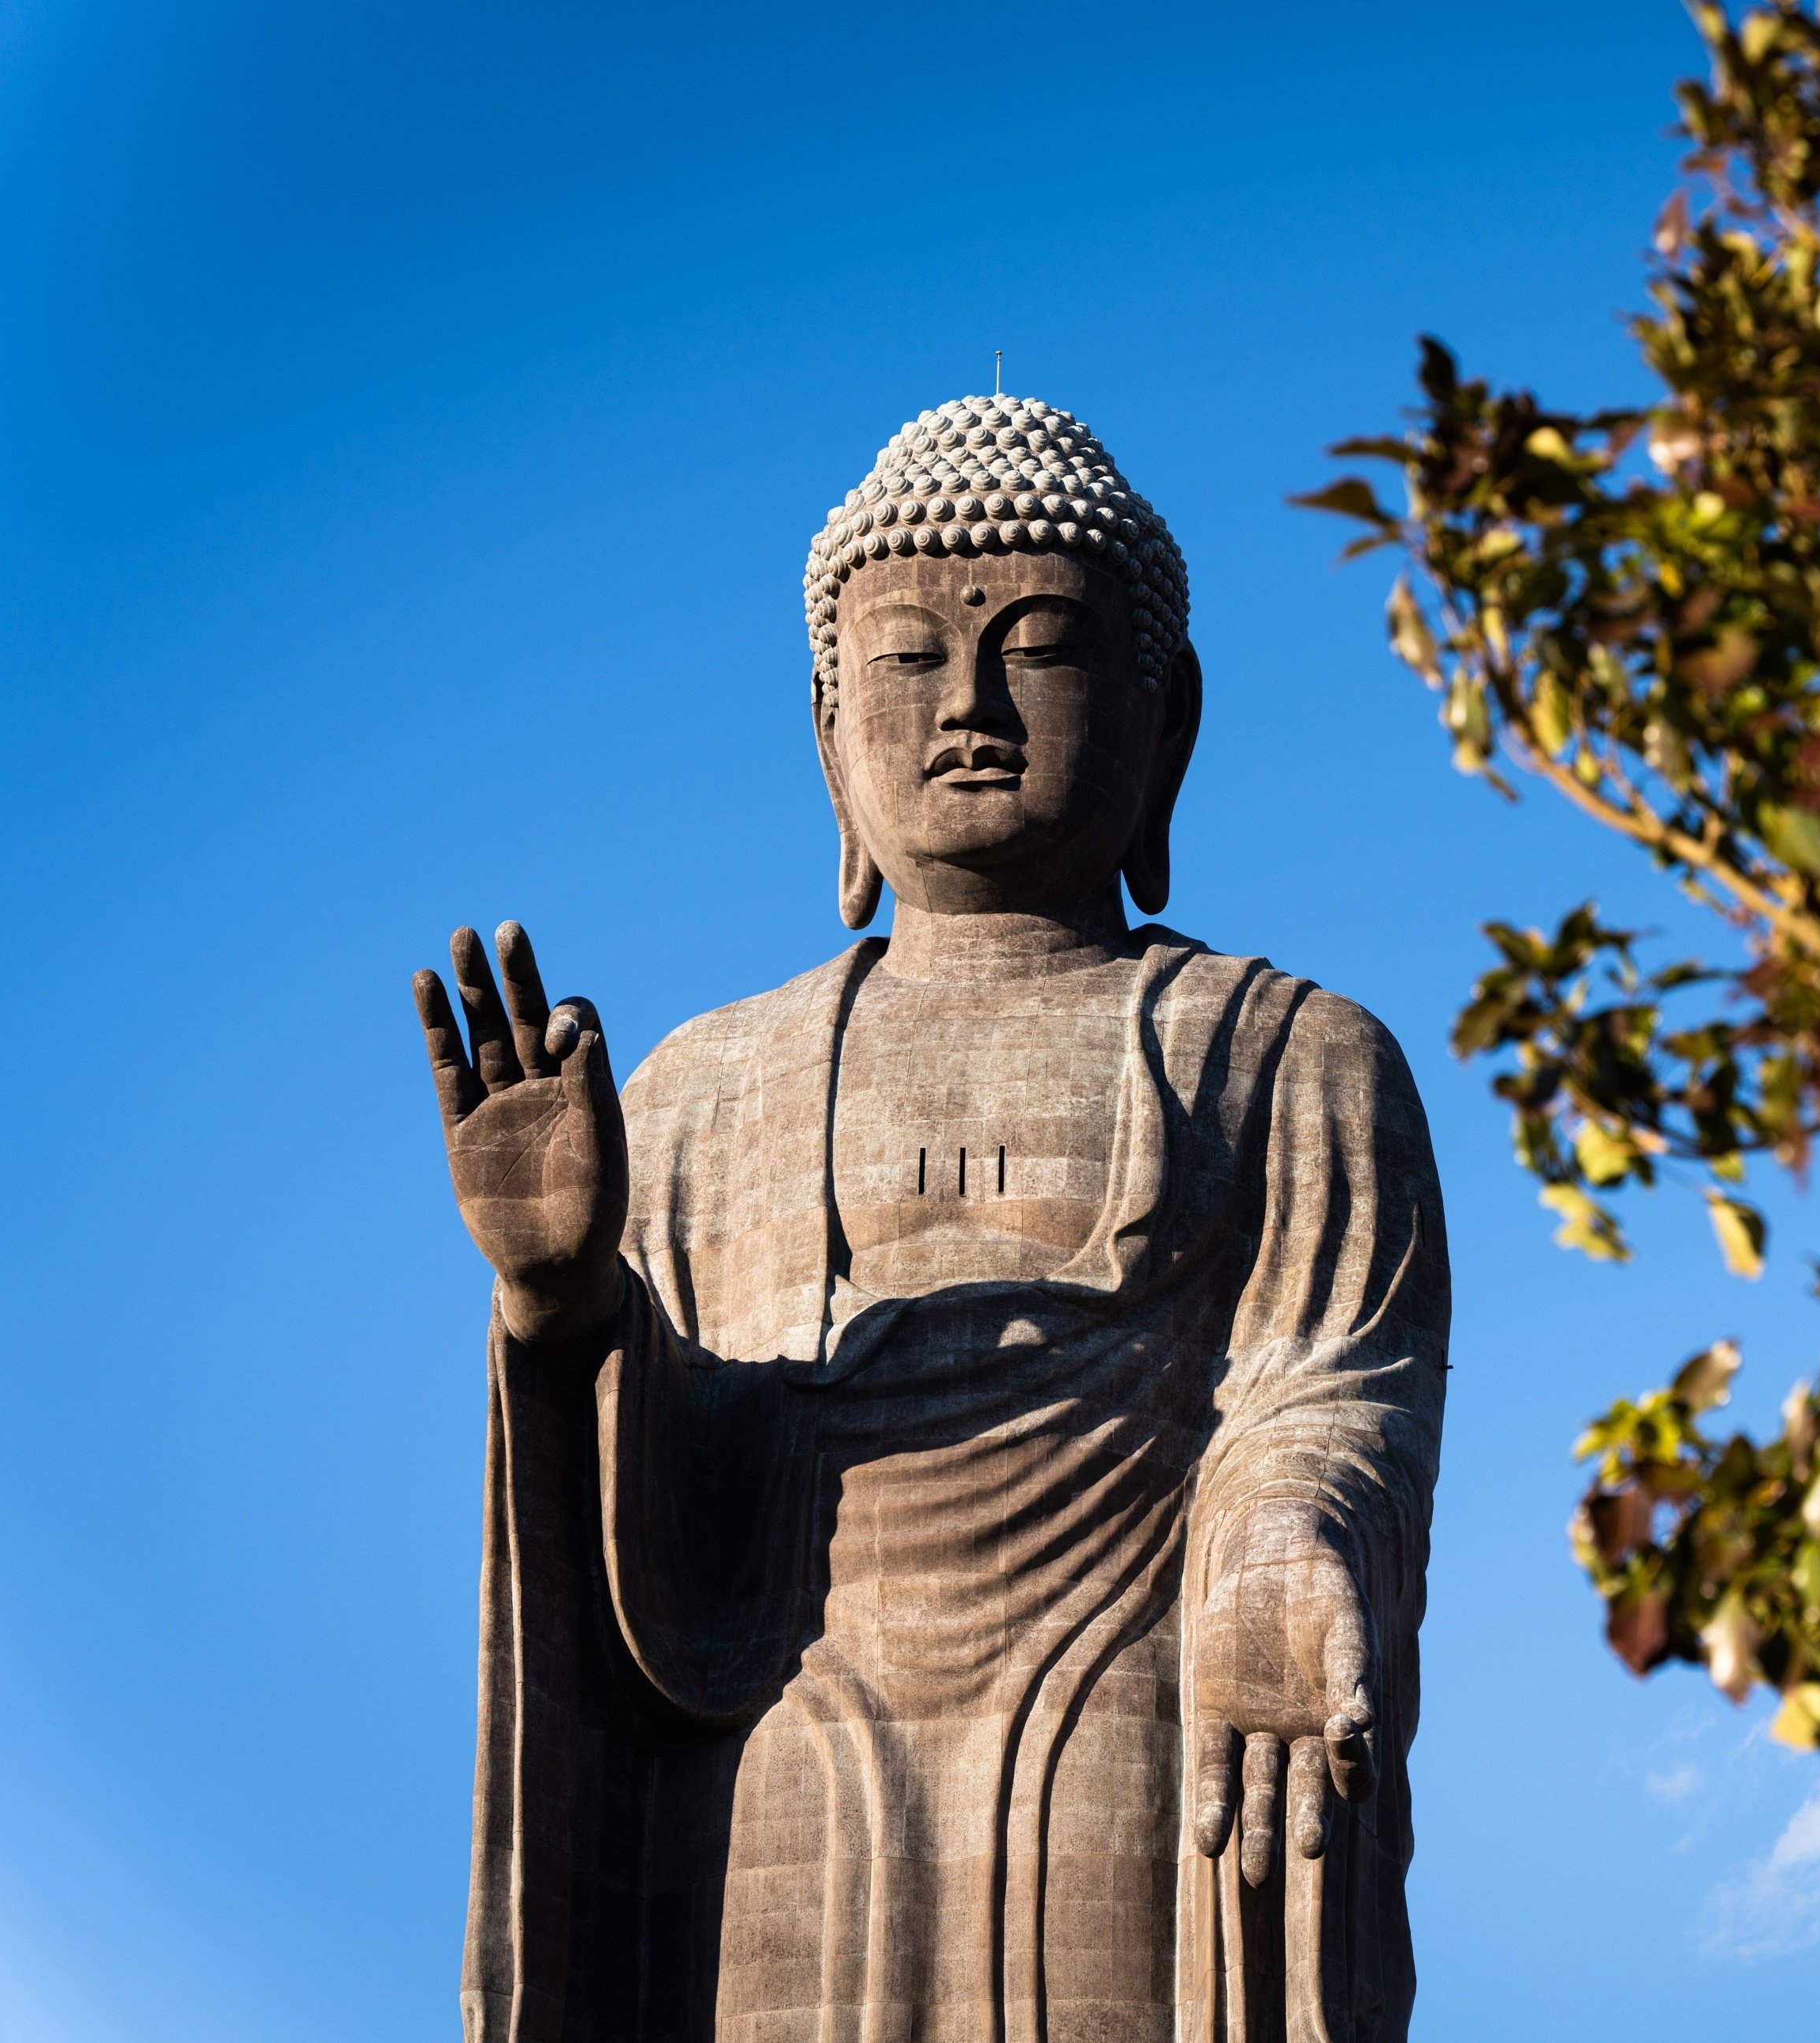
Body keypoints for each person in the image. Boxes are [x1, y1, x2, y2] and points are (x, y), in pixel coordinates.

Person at [413, 397, 1447, 2043]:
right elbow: (659, 1525)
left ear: (1162, 721)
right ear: (829, 735)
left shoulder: (1286, 1052)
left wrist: (1275, 1550)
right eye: (905, 659)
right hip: (780, 1762)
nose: (967, 703)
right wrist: (559, 1311)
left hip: (1128, 1723)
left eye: (1036, 647)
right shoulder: (700, 1085)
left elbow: (1329, 1387)